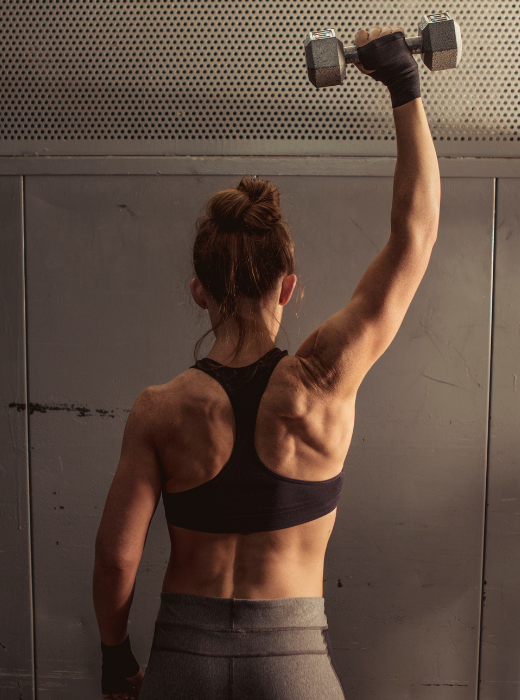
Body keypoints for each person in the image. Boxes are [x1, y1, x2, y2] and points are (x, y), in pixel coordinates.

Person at [93, 22, 441, 700]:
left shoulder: (159, 411)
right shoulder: (323, 380)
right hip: (291, 664)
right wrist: (404, 85)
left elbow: (116, 558)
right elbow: (414, 238)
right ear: (287, 285)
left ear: (200, 292)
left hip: (182, 660)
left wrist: (116, 661)